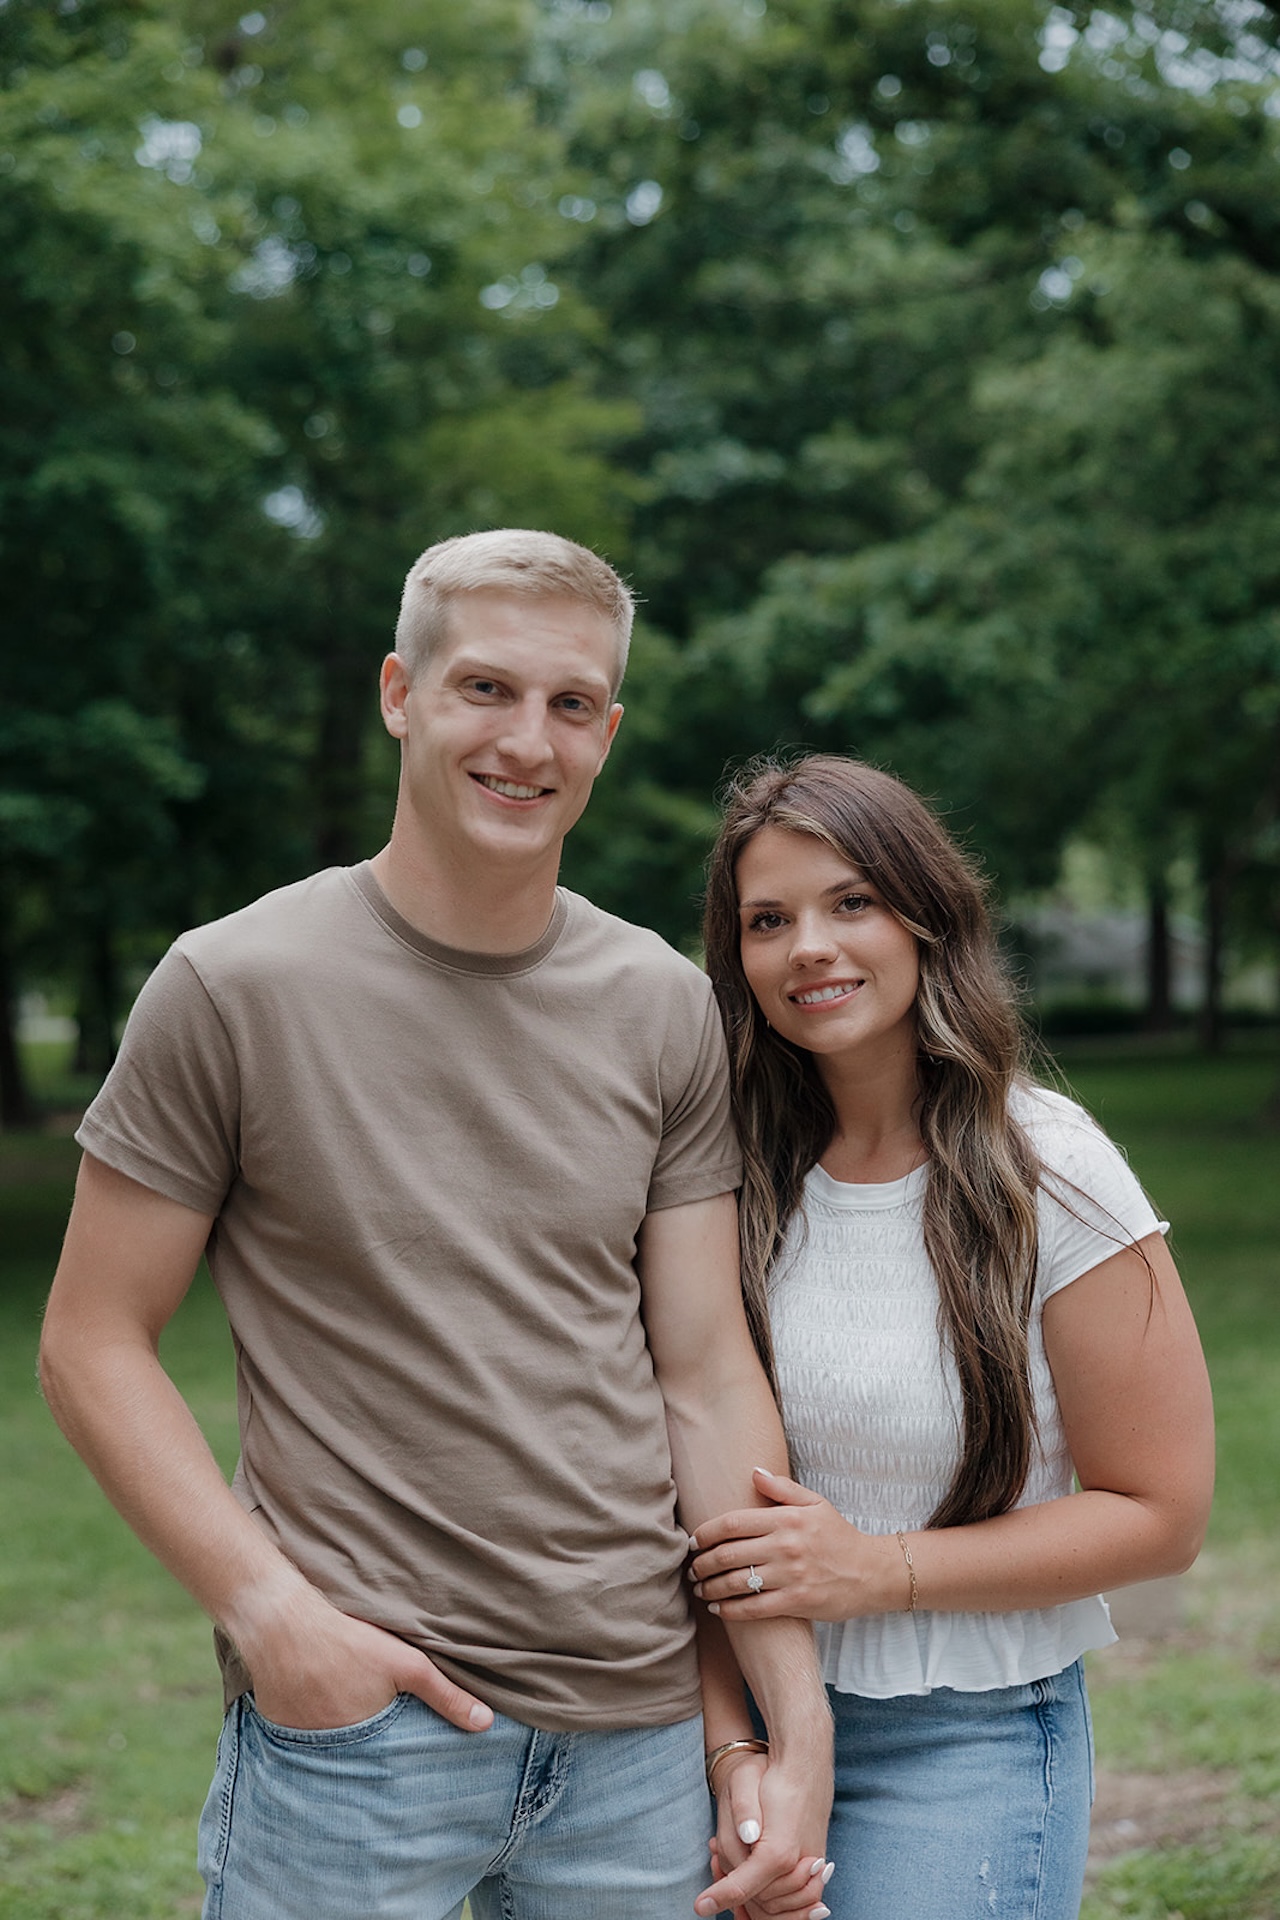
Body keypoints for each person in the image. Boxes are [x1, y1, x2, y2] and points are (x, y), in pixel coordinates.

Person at [38, 532, 833, 1920]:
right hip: (364, 1738)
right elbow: (90, 1341)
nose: (529, 740)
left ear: (608, 731)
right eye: (486, 690)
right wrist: (274, 1617)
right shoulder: (233, 986)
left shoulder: (658, 1005)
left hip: (637, 1735)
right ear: (401, 693)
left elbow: (704, 1376)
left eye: (572, 704)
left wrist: (785, 1719)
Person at [688, 754, 1215, 1920]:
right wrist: (737, 1754)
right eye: (766, 922)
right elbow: (694, 1487)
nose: (807, 948)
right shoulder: (722, 1175)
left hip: (964, 1742)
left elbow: (1160, 1515)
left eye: (849, 903)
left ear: (927, 917)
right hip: (724, 1724)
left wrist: (875, 1571)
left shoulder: (1049, 1169)